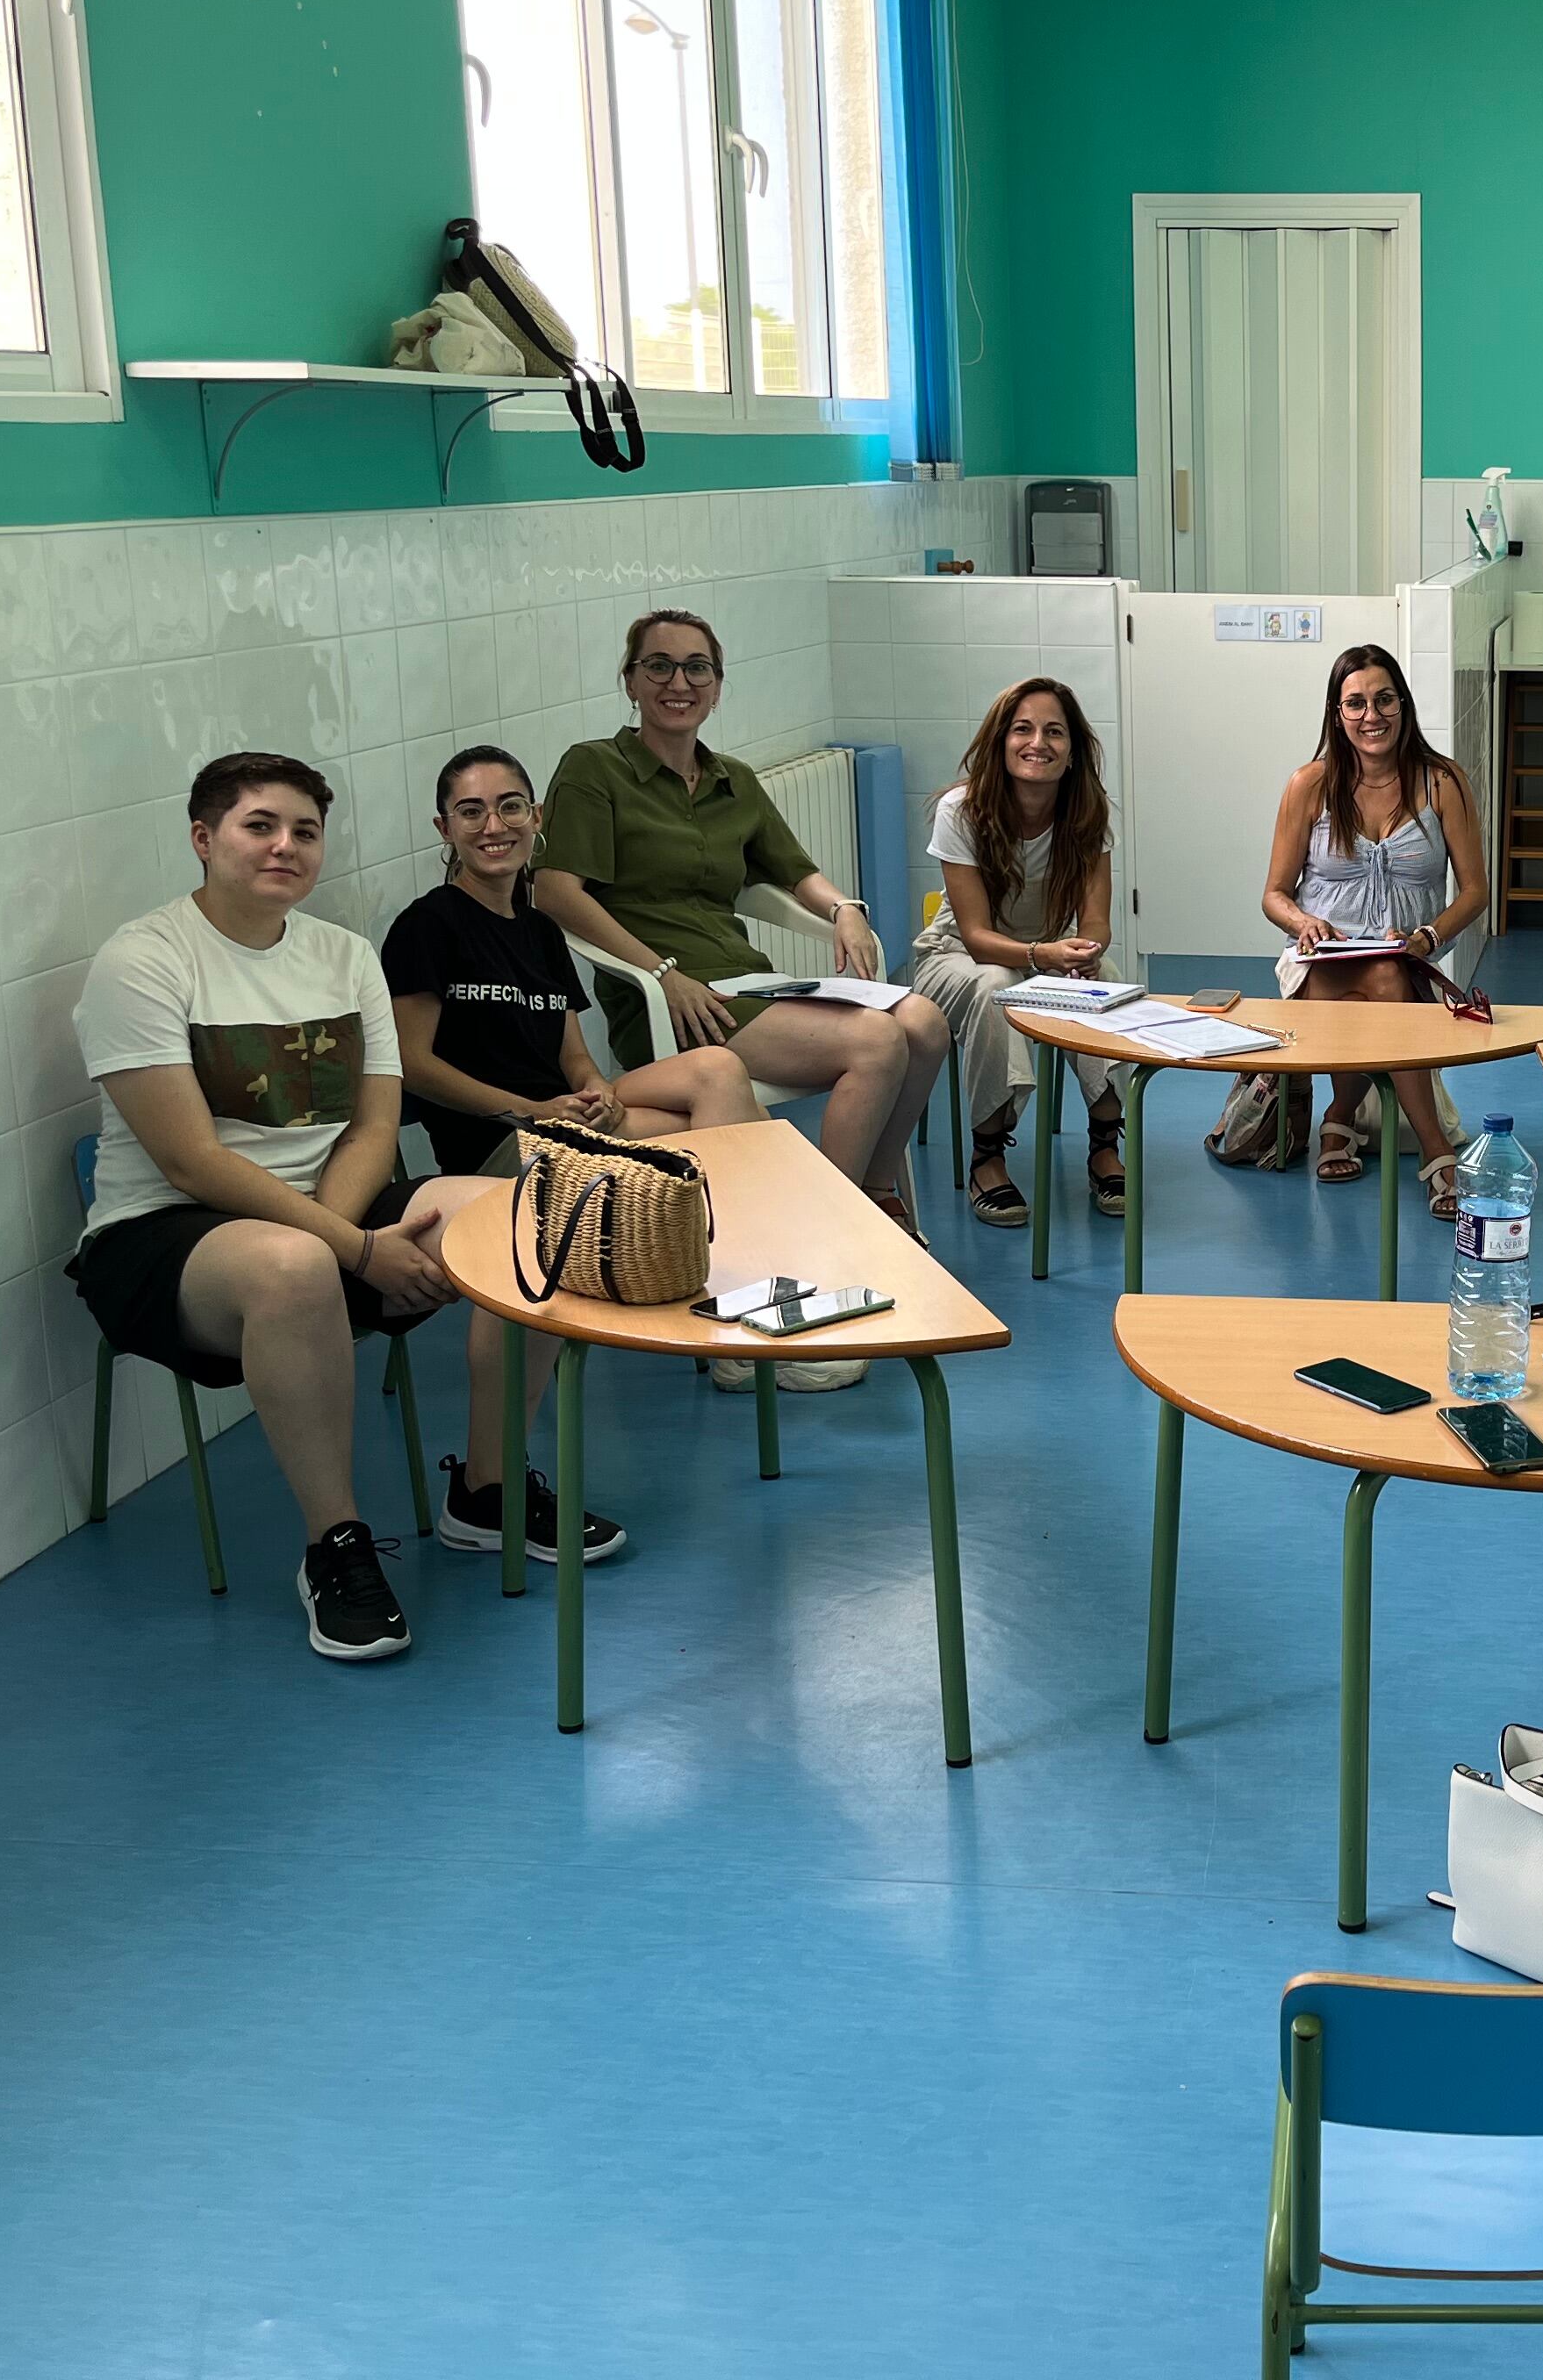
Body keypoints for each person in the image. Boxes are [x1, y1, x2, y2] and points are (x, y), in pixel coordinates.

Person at [68, 753, 620, 1666]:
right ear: (204, 840)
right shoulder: (144, 961)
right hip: (164, 1235)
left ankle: (486, 1494)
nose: (285, 846)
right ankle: (337, 1546)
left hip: (336, 1209)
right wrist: (350, 1251)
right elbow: (190, 1159)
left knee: (536, 1210)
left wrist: (348, 1231)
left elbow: (372, 1127)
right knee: (293, 1269)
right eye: (260, 826)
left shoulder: (343, 955)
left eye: (305, 831)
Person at [534, 610, 949, 1390]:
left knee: (924, 1020)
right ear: (629, 681)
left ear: (718, 686)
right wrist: (658, 971)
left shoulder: (734, 782)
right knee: (875, 1043)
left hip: (747, 983)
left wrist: (843, 908)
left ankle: (874, 1196)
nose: (677, 684)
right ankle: (828, 1235)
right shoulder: (594, 769)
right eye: (658, 667)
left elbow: (794, 869)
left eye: (696, 669)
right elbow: (555, 890)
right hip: (673, 1000)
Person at [384, 745, 771, 1181]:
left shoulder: (540, 931)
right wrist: (533, 1111)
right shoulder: (426, 926)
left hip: (565, 1115)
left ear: (536, 817)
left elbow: (575, 1057)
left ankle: (717, 1238)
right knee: (743, 1120)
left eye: (510, 807)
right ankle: (730, 1240)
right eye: (471, 812)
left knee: (719, 1070)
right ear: (446, 828)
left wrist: (598, 1088)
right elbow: (411, 1064)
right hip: (502, 1145)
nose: (494, 826)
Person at [1258, 645, 1491, 1218]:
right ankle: (1437, 1157)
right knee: (1382, 981)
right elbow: (1273, 895)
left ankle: (1339, 1117)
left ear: (1404, 705)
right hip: (1318, 964)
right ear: (1337, 714)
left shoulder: (1443, 782)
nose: (1372, 715)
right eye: (1355, 703)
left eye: (1384, 699)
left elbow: (1475, 892)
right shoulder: (1309, 785)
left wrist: (1429, 938)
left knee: (1388, 972)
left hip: (1410, 959)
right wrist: (1303, 921)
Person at [908, 677, 1130, 1228]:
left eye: (1054, 731)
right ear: (1000, 740)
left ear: (1074, 750)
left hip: (1048, 954)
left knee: (1115, 986)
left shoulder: (1088, 812)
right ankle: (988, 1156)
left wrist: (1088, 952)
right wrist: (1043, 956)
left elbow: (1097, 920)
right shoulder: (962, 810)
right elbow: (978, 936)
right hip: (958, 956)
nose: (1038, 743)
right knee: (995, 988)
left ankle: (1105, 1145)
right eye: (1023, 729)